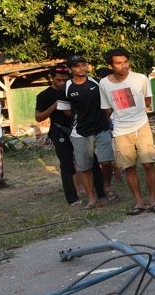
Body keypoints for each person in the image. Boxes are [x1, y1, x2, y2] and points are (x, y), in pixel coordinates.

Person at [99, 48, 155, 215]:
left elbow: (148, 100)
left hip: (141, 125)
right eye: (118, 63)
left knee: (149, 164)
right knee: (129, 167)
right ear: (111, 65)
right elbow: (106, 109)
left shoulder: (140, 79)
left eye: (125, 62)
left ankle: (153, 200)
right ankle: (139, 202)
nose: (123, 66)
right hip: (121, 130)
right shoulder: (104, 84)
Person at [35, 64, 106, 206]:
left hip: (80, 129)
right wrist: (54, 106)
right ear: (51, 78)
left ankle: (101, 192)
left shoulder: (73, 88)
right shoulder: (44, 95)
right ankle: (72, 198)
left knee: (91, 160)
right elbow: (38, 117)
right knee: (66, 164)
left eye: (64, 79)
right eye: (58, 80)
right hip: (60, 130)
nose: (62, 83)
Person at [64, 54, 117, 208]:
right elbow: (66, 110)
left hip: (101, 127)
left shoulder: (98, 83)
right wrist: (81, 117)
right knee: (85, 167)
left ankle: (107, 185)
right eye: (76, 65)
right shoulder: (66, 88)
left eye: (83, 64)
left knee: (106, 161)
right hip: (80, 131)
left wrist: (107, 121)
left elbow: (107, 104)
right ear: (70, 69)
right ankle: (92, 198)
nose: (81, 68)